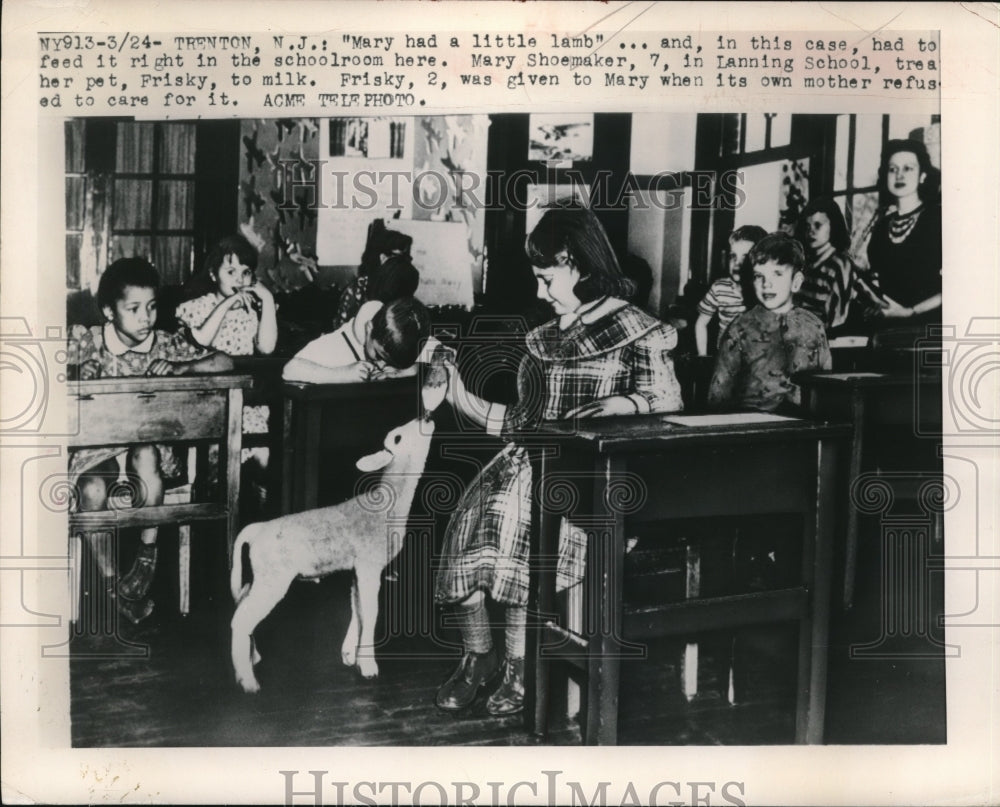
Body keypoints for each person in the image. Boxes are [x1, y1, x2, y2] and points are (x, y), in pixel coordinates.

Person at [434, 207, 683, 717]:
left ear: (580, 265)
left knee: (510, 522)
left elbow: (669, 400)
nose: (542, 293)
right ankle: (479, 656)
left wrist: (624, 405)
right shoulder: (543, 340)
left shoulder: (640, 330)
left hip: (598, 477)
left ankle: (521, 670)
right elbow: (522, 423)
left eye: (548, 279)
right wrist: (457, 395)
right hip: (530, 462)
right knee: (466, 523)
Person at [67, 257, 233, 623]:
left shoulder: (165, 344)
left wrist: (181, 368)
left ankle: (146, 556)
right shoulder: (88, 342)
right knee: (92, 489)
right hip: (98, 448)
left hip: (152, 451)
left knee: (144, 453)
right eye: (135, 309)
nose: (147, 317)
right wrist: (77, 372)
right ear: (109, 311)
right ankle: (116, 587)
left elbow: (224, 362)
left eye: (153, 307)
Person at [708, 232, 832, 413]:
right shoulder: (740, 328)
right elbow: (718, 392)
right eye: (759, 276)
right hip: (753, 426)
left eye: (777, 274)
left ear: (796, 282)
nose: (767, 284)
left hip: (804, 427)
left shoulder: (814, 326)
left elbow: (827, 384)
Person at [865, 139, 942, 324]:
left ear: (922, 175)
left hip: (930, 328)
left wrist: (911, 312)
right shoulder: (881, 227)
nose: (899, 175)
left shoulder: (937, 218)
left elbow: (958, 284)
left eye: (908, 168)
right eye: (893, 169)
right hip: (888, 328)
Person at [282, 296, 431, 384]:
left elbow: (444, 356)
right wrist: (342, 374)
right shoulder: (336, 344)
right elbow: (289, 370)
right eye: (379, 356)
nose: (382, 365)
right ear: (369, 328)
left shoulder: (400, 333)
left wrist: (406, 370)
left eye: (391, 362)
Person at [176, 234, 278, 358]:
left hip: (241, 375)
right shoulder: (198, 307)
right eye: (231, 272)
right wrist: (227, 304)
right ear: (213, 274)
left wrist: (268, 298)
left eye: (246, 272)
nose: (240, 280)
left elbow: (266, 349)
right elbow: (200, 342)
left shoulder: (250, 311)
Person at [794, 198, 882, 333]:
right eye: (807, 226)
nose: (811, 231)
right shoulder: (807, 265)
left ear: (833, 226)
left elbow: (835, 321)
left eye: (818, 225)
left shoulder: (839, 265)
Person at [694, 225, 767, 356]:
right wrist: (702, 357)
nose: (737, 263)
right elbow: (701, 323)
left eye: (745, 257)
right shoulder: (719, 288)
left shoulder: (765, 291)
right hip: (725, 358)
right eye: (733, 256)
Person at [333, 219, 417, 329]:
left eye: (405, 258)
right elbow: (341, 329)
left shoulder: (405, 285)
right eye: (397, 258)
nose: (402, 264)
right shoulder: (359, 289)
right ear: (382, 258)